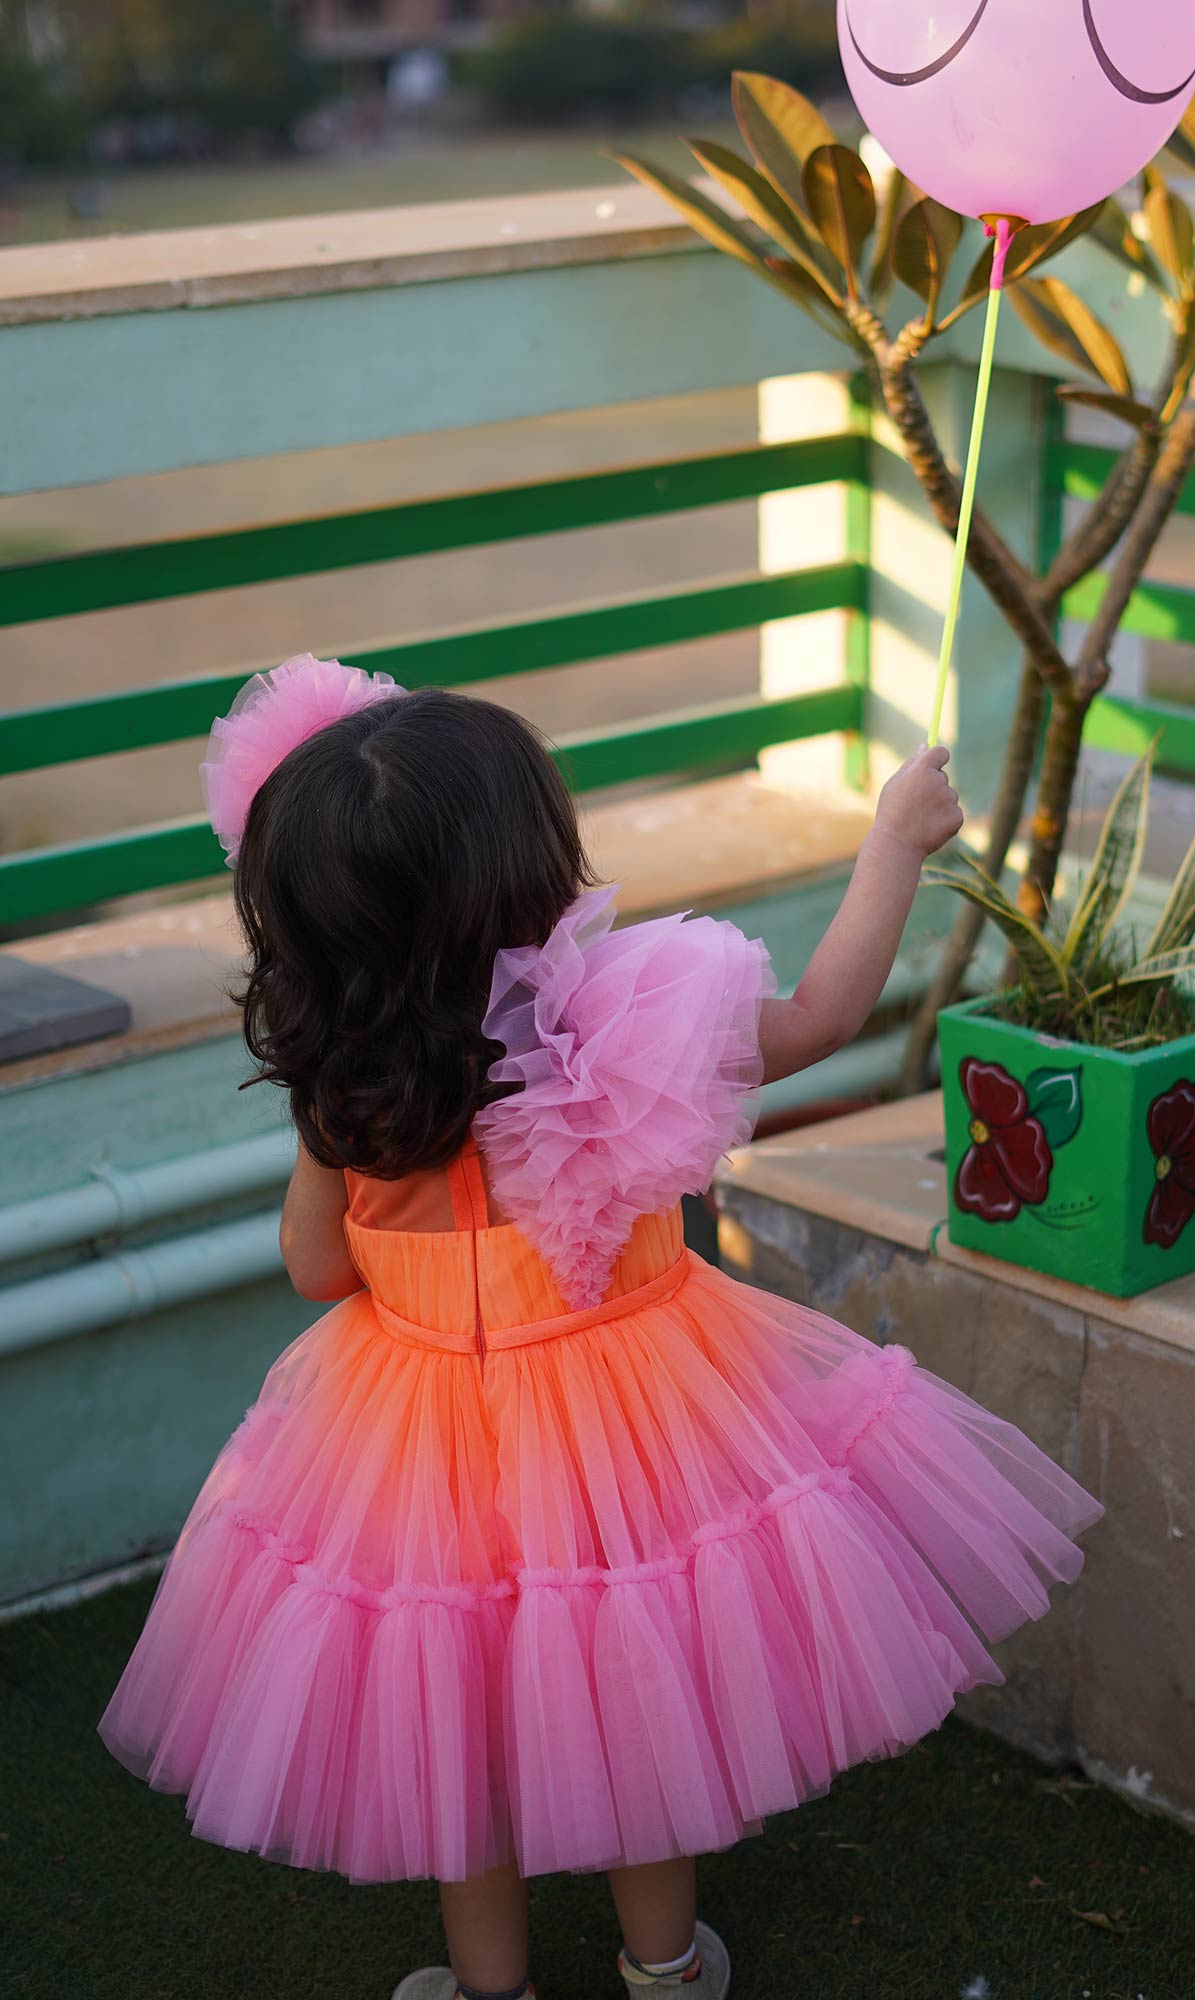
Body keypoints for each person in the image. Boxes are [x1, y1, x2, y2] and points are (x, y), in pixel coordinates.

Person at [100, 655, 1103, 2000]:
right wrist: (893, 842)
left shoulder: (340, 1082)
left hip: (413, 1444)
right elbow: (821, 1014)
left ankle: (490, 1987)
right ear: (532, 864)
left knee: (460, 1716)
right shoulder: (625, 1025)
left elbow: (312, 1272)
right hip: (637, 1417)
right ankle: (665, 1965)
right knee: (638, 1708)